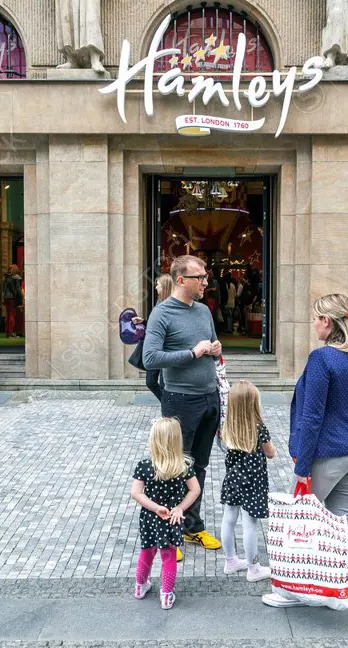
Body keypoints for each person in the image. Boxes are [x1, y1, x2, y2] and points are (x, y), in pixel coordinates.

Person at [264, 293, 348, 609]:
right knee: (341, 523)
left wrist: (302, 464)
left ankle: (292, 591)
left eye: (315, 318)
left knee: (300, 522)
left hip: (328, 454)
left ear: (327, 322)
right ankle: (340, 589)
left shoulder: (322, 358)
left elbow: (312, 416)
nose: (313, 324)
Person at [142, 254, 223, 552]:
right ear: (180, 280)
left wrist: (215, 348)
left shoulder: (203, 311)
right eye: (199, 278)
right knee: (174, 467)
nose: (205, 282)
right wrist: (192, 353)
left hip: (209, 397)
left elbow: (213, 346)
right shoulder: (162, 314)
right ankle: (168, 534)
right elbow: (151, 358)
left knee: (198, 466)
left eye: (205, 277)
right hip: (180, 400)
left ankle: (192, 526)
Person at [130, 417, 201, 610]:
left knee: (147, 551)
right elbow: (195, 490)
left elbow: (136, 493)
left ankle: (140, 586)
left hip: (150, 518)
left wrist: (154, 507)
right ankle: (167, 594)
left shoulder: (144, 465)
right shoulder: (183, 465)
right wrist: (180, 508)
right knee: (168, 556)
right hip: (172, 518)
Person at [220, 380, 275, 582]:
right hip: (253, 482)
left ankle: (231, 560)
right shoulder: (259, 428)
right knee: (250, 523)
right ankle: (253, 568)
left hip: (233, 479)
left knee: (229, 519)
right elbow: (271, 453)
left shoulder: (228, 427)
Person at [140, 274, 174, 402]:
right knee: (150, 382)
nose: (155, 287)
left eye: (158, 284)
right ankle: (166, 404)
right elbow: (157, 325)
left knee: (165, 384)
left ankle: (168, 411)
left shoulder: (172, 304)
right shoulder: (159, 302)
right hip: (155, 348)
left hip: (167, 350)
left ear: (165, 286)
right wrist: (143, 322)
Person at [2, 265, 23, 338]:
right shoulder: (17, 277)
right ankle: (11, 333)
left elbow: (3, 289)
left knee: (7, 315)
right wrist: (21, 298)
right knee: (12, 315)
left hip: (6, 298)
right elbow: (18, 290)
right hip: (13, 298)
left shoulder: (6, 277)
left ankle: (8, 333)